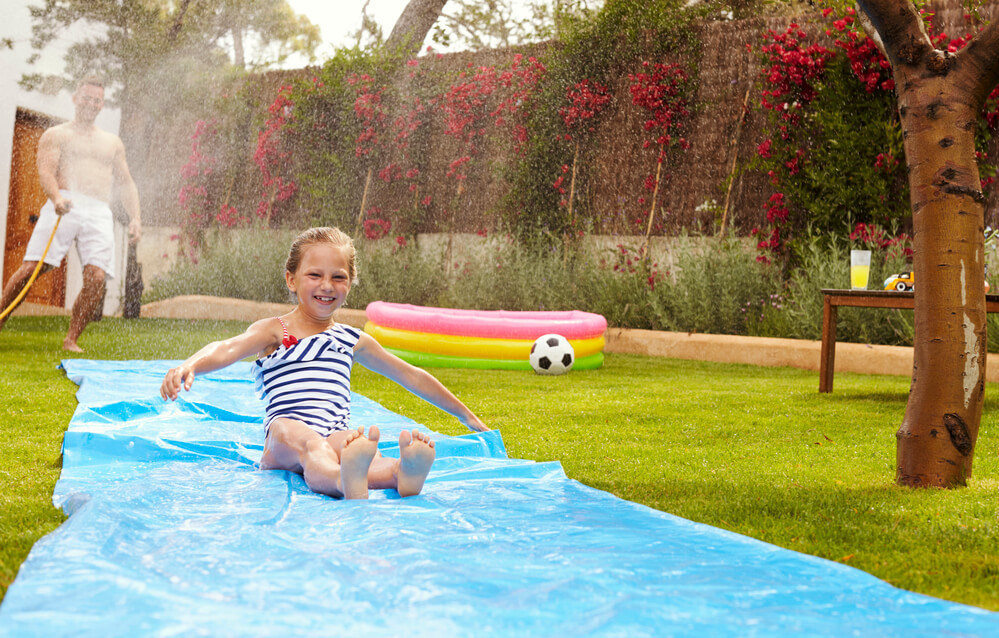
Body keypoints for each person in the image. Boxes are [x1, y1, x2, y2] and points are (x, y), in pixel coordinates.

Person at [160, 227, 489, 500]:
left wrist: (468, 416)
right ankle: (343, 480)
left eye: (338, 276)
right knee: (312, 445)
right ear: (291, 279)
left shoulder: (351, 339)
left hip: (335, 431)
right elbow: (228, 348)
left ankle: (400, 473)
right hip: (284, 434)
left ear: (351, 281)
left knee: (359, 449)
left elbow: (410, 376)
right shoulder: (277, 329)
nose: (327, 285)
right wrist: (190, 365)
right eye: (314, 275)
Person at [0, 75, 142, 351]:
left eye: (96, 100)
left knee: (97, 278)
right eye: (86, 97)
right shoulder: (57, 135)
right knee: (32, 268)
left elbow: (125, 182)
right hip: (64, 202)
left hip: (99, 209)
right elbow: (46, 171)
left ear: (102, 105)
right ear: (76, 98)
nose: (91, 103)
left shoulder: (112, 142)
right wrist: (55, 198)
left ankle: (71, 339)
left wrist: (135, 217)